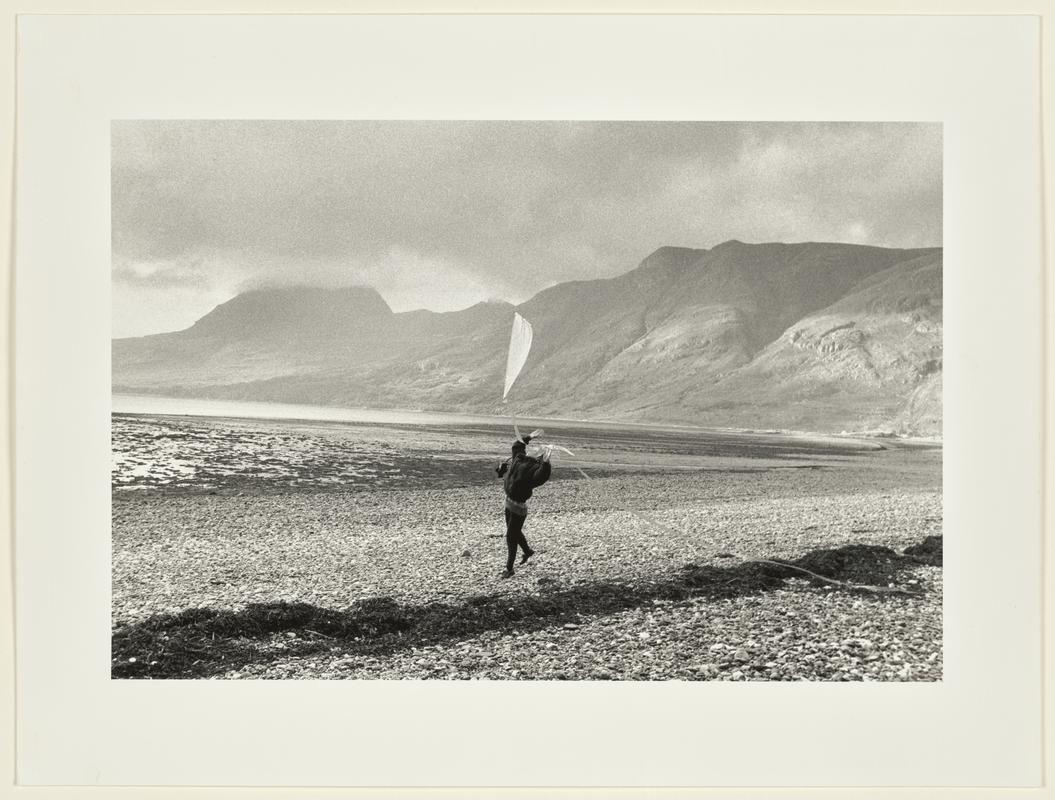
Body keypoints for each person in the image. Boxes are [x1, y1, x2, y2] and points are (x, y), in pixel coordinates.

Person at [495, 434, 551, 578]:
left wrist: (546, 462)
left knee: (511, 536)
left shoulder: (533, 468)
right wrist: (529, 436)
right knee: (513, 532)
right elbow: (517, 445)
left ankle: (509, 568)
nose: (534, 449)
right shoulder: (518, 457)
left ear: (538, 456)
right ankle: (527, 551)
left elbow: (541, 476)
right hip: (509, 501)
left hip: (519, 507)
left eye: (538, 450)